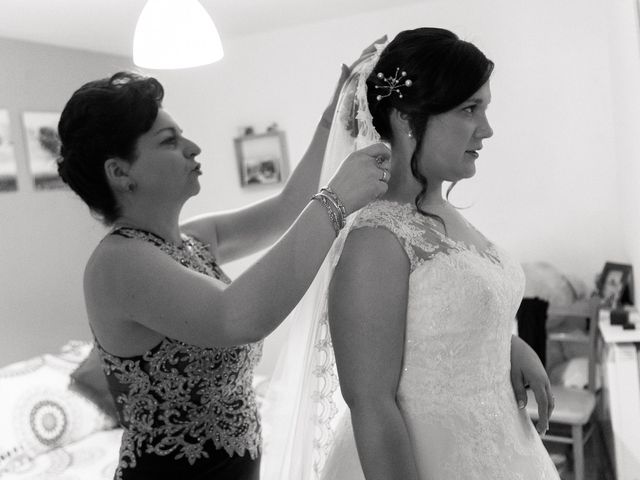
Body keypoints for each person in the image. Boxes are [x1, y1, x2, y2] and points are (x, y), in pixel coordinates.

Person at [56, 47, 390, 480]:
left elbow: (287, 209)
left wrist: (332, 121)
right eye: (169, 141)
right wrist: (336, 201)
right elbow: (237, 316)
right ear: (121, 173)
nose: (193, 148)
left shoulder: (195, 241)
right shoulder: (117, 263)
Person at [262, 28, 559, 480]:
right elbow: (371, 404)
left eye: (485, 108)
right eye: (469, 109)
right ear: (406, 118)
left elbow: (438, 327)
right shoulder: (377, 237)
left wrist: (506, 345)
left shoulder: (442, 211)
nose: (487, 129)